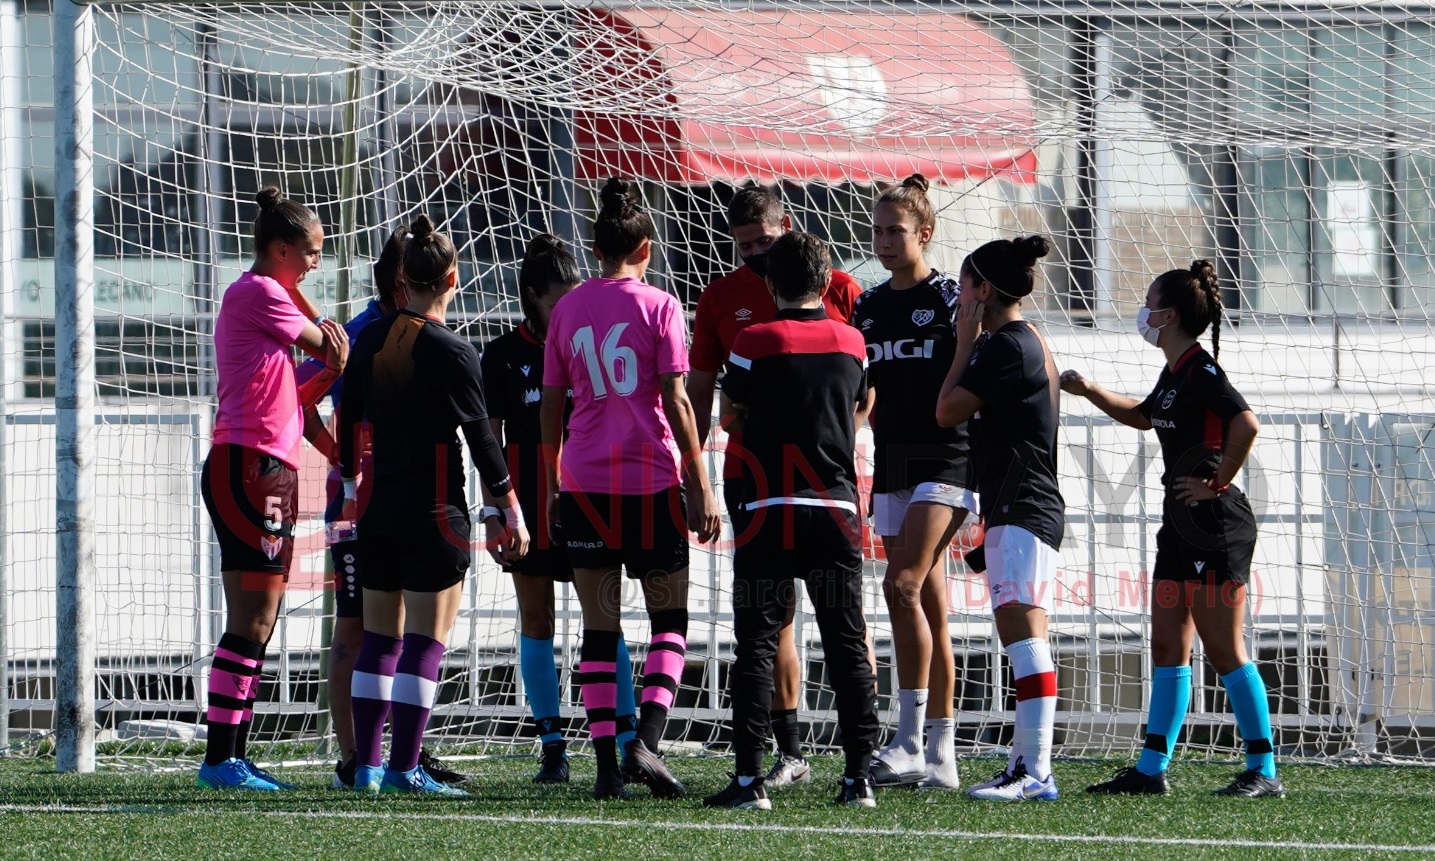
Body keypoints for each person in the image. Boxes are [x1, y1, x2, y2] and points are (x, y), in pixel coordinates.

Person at [1063, 261, 1284, 798]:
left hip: (1214, 526)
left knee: (1223, 649)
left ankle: (1264, 770)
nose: (1142, 312)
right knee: (1167, 645)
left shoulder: (1202, 370)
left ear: (1169, 315)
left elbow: (1246, 422)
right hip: (1179, 524)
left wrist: (1219, 480)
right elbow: (1145, 416)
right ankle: (1150, 769)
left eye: (1149, 303)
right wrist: (1090, 390)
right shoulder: (1175, 371)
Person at [539, 178, 722, 801]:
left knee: (600, 627)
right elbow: (677, 400)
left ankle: (605, 771)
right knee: (669, 620)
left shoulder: (567, 310)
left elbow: (551, 406)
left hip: (584, 484)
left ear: (595, 249)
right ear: (646, 248)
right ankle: (646, 738)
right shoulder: (661, 306)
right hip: (649, 483)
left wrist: (552, 482)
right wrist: (701, 484)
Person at [339, 214, 529, 796]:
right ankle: (403, 769)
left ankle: (367, 769)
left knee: (379, 640)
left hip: (375, 511)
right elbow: (483, 441)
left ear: (403, 279)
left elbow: (347, 419)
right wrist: (511, 510)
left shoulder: (370, 339)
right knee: (423, 642)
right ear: (452, 278)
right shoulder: (453, 350)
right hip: (433, 512)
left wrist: (348, 487)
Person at [686, 186, 862, 788]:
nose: (755, 256)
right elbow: (702, 394)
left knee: (829, 630)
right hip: (760, 483)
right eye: (744, 247)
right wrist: (697, 475)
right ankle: (799, 756)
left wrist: (818, 429)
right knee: (779, 624)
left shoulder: (840, 291)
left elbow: (866, 392)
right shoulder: (721, 297)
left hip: (811, 484)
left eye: (763, 243)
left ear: (785, 226)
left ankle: (829, 764)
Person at [295, 230, 469, 789]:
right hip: (361, 506)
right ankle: (357, 759)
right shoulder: (360, 335)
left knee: (405, 634)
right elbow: (297, 397)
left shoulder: (427, 337)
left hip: (404, 500)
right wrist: (339, 456)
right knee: (360, 632)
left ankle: (400, 754)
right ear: (402, 282)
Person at [197, 187, 349, 790]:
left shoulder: (265, 299)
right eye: (310, 252)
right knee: (254, 617)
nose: (315, 263)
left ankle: (230, 757)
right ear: (280, 249)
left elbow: (298, 398)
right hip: (251, 469)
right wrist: (336, 349)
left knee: (256, 617)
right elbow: (329, 346)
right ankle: (221, 759)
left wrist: (337, 450)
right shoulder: (260, 293)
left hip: (261, 468)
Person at [480, 234, 640, 784]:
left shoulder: (586, 345)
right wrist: (495, 512)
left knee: (605, 623)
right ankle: (552, 747)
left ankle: (628, 743)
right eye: (558, 301)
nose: (570, 310)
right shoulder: (501, 355)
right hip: (527, 508)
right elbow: (489, 442)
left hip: (587, 500)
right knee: (538, 622)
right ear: (532, 297)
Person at [849, 174, 972, 790]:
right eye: (877, 230)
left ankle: (907, 741)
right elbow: (863, 392)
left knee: (900, 585)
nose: (884, 240)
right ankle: (942, 754)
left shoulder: (951, 298)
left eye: (895, 230)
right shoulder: (867, 306)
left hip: (947, 459)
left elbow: (978, 372)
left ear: (925, 233)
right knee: (927, 604)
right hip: (893, 462)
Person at [935, 234, 1064, 802]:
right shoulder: (1022, 338)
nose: (959, 297)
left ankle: (1034, 772)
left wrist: (963, 344)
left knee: (1023, 633)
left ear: (984, 290)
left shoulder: (1007, 344)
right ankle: (1027, 766)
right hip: (1022, 506)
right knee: (1024, 632)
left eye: (965, 286)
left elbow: (946, 411)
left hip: (1023, 506)